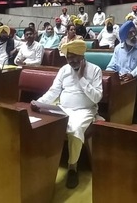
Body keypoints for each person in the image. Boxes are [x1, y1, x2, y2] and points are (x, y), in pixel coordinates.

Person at [33, 40, 103, 189]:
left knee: (76, 128)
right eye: (68, 57)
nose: (70, 60)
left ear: (81, 55)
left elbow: (97, 97)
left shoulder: (95, 70)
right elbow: (53, 91)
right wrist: (38, 102)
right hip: (63, 108)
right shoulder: (64, 69)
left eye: (73, 57)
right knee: (42, 122)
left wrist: (82, 78)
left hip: (85, 110)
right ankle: (44, 161)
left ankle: (72, 168)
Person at [106, 21, 137, 119]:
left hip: (136, 80)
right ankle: (114, 118)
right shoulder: (118, 49)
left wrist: (131, 75)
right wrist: (109, 75)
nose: (133, 35)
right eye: (130, 33)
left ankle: (128, 118)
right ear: (124, 36)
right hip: (121, 79)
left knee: (126, 90)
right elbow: (111, 66)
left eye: (134, 32)